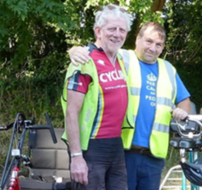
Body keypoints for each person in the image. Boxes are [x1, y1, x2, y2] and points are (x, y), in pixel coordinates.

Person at [68, 22, 191, 190]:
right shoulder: (121, 58)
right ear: (137, 39)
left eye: (158, 45)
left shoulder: (168, 69)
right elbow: (95, 51)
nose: (152, 48)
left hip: (153, 157)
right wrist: (74, 51)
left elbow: (185, 100)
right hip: (123, 152)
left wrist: (181, 112)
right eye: (148, 41)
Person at [61, 4, 131, 189]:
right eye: (112, 29)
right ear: (98, 31)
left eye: (122, 30)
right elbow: (71, 111)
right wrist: (76, 156)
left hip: (116, 145)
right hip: (91, 147)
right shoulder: (84, 61)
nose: (117, 34)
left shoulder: (121, 59)